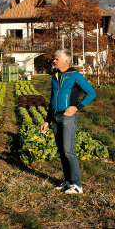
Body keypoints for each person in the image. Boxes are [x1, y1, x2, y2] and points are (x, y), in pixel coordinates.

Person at [41, 49, 96, 194]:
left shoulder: (75, 75)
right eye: (54, 59)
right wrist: (47, 120)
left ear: (66, 60)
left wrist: (76, 108)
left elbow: (91, 93)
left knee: (68, 150)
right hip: (55, 117)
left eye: (56, 59)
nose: (54, 61)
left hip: (68, 117)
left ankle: (77, 185)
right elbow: (52, 98)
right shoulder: (55, 76)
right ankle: (68, 182)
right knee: (61, 151)